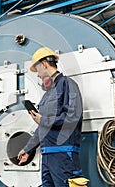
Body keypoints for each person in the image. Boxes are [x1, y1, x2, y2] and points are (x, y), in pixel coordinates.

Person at [18, 47, 88, 187]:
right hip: (47, 157)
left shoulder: (68, 84)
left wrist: (43, 119)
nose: (37, 75)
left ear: (44, 63)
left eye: (37, 69)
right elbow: (43, 127)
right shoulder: (47, 94)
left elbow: (73, 117)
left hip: (64, 156)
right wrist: (27, 149)